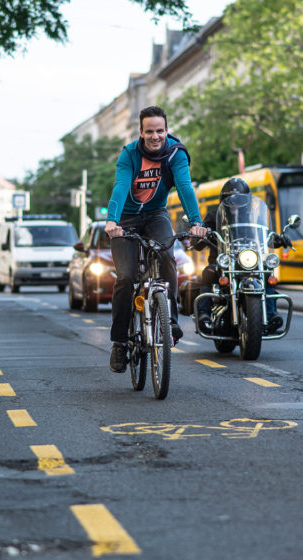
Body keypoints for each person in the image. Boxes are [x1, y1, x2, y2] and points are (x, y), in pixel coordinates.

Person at [105, 105, 206, 373]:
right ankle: (119, 343)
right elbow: (121, 187)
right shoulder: (129, 154)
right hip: (125, 219)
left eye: (160, 130)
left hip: (156, 216)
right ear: (141, 132)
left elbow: (184, 187)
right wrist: (112, 221)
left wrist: (196, 221)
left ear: (166, 130)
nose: (155, 136)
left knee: (167, 256)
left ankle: (170, 319)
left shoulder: (175, 153)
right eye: (149, 131)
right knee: (126, 277)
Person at [194, 177, 284, 334]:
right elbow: (201, 238)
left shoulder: (253, 216)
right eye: (231, 199)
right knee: (207, 273)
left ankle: (270, 314)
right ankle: (204, 315)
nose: (235, 204)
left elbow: (264, 233)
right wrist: (201, 236)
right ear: (224, 199)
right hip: (222, 261)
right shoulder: (214, 216)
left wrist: (278, 238)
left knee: (267, 274)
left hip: (248, 260)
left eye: (239, 200)